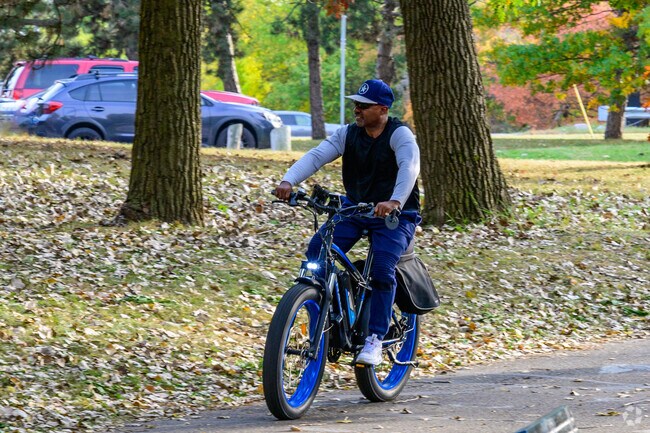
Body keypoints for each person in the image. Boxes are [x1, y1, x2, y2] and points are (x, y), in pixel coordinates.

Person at [274, 79, 421, 365]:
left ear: (382, 109)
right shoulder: (349, 134)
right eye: (356, 104)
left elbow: (409, 167)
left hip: (396, 215)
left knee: (381, 268)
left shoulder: (400, 135)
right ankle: (324, 305)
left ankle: (375, 338)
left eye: (364, 106)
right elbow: (318, 156)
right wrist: (288, 180)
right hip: (355, 209)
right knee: (317, 251)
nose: (357, 110)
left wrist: (394, 201)